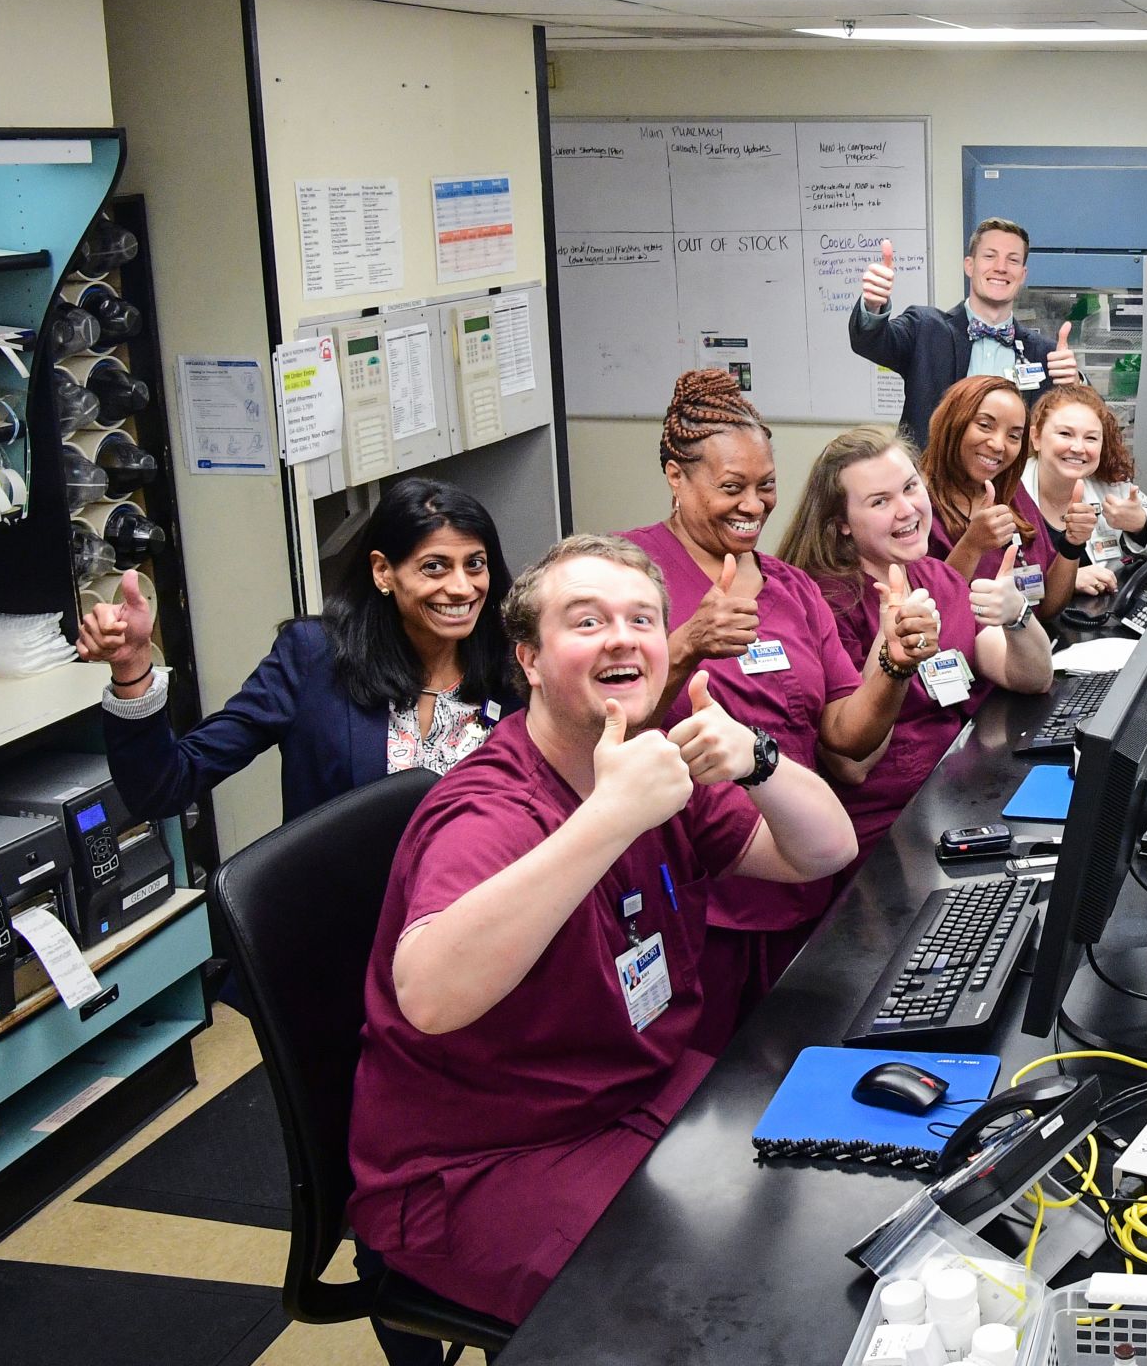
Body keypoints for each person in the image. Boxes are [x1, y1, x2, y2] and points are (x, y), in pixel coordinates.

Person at [347, 534, 858, 1328]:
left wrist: (759, 760)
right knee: (728, 1304)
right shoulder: (490, 808)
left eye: (643, 619)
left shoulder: (654, 770)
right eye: (587, 622)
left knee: (827, 1194)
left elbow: (824, 852)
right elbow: (431, 994)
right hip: (484, 1163)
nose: (622, 637)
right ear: (528, 659)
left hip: (635, 1094)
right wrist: (609, 819)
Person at [618, 369, 924, 1047]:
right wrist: (689, 642)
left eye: (765, 486)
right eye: (731, 488)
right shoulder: (632, 574)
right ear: (676, 476)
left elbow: (845, 735)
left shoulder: (790, 587)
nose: (752, 505)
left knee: (798, 1063)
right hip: (705, 899)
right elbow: (602, 724)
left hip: (807, 879)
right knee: (710, 1092)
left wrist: (894, 660)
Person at [82, 477, 517, 824]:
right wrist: (132, 668)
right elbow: (165, 788)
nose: (462, 587)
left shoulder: (515, 665)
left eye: (474, 564)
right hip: (352, 924)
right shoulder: (314, 657)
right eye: (434, 567)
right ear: (383, 571)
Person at [780, 428, 1054, 865]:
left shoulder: (935, 576)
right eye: (880, 501)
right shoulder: (825, 603)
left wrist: (1018, 617)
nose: (907, 510)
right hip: (892, 830)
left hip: (963, 795)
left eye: (910, 488)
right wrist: (891, 653)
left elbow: (1030, 678)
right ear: (841, 524)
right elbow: (854, 763)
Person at [850, 218, 1082, 445]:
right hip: (931, 480)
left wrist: (1075, 383)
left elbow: (1082, 423)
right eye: (990, 256)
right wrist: (873, 304)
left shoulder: (1045, 354)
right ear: (969, 265)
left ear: (1022, 275)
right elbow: (870, 342)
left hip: (1011, 481)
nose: (1000, 268)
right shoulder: (925, 329)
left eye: (1012, 260)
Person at [920, 373, 1079, 623]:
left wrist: (1073, 543)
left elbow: (1044, 608)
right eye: (985, 425)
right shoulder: (917, 505)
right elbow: (929, 619)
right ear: (952, 422)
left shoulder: (1013, 494)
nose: (998, 444)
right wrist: (972, 545)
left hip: (1027, 651)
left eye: (1014, 436)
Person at [1023, 382, 1147, 598]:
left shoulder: (1111, 486)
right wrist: (1064, 580)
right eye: (1065, 434)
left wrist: (1141, 525)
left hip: (1096, 619)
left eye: (1091, 438)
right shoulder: (1011, 490)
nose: (1078, 448)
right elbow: (991, 578)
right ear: (1036, 438)